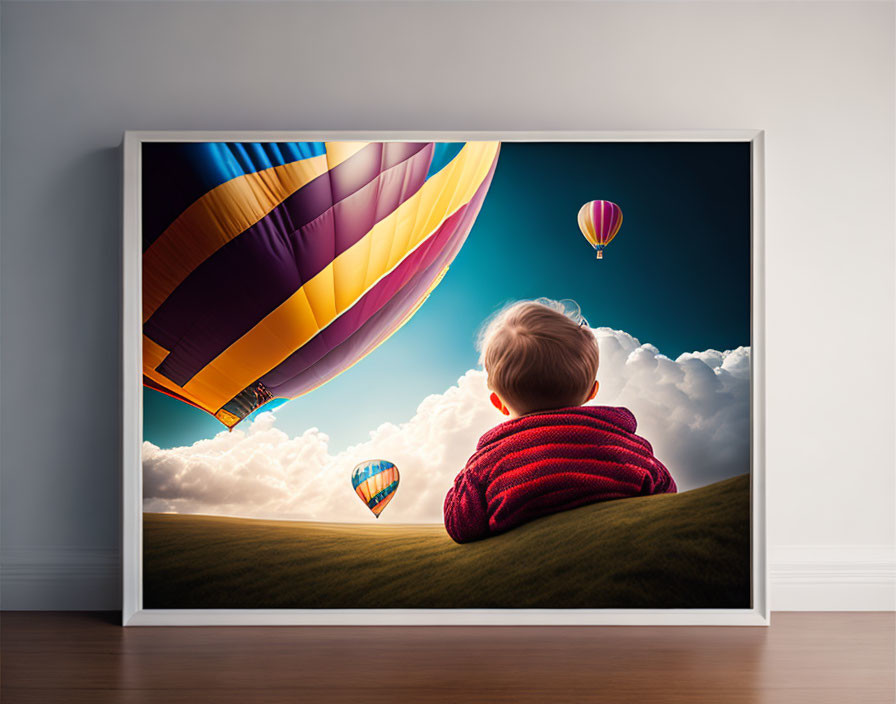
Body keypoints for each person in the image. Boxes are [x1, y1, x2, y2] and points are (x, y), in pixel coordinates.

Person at [443, 298, 677, 544]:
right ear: (592, 392)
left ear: (498, 403)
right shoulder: (630, 449)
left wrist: (464, 477)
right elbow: (667, 495)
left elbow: (462, 526)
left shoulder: (488, 465)